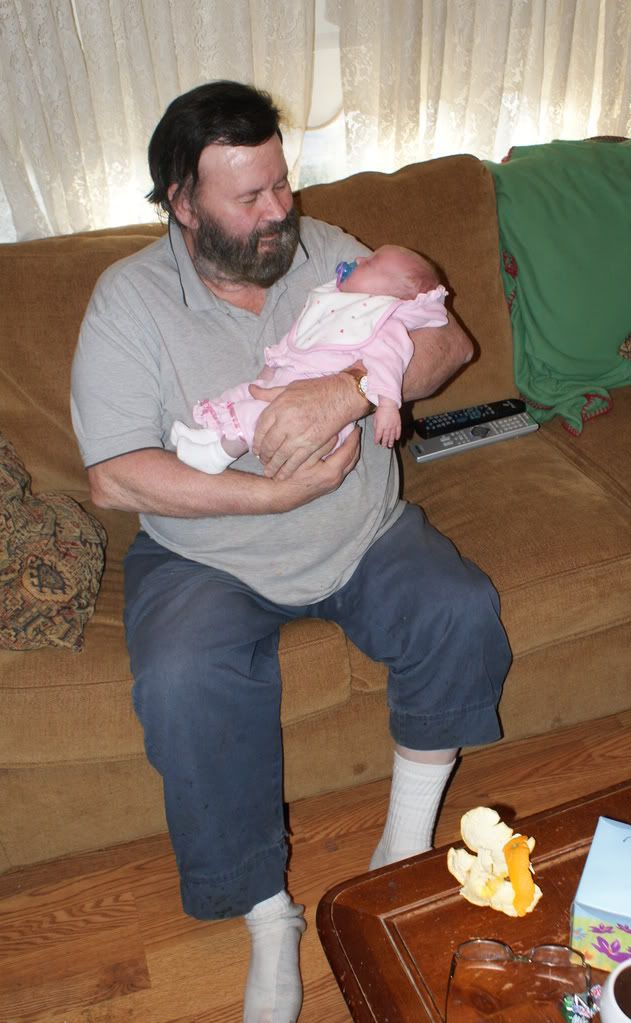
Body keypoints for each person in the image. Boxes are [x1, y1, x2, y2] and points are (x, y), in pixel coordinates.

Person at [70, 81, 512, 1023]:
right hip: (207, 555)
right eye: (250, 196)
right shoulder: (129, 300)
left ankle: (401, 847)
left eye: (281, 182)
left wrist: (348, 389)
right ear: (183, 204)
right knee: (183, 680)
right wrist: (270, 494)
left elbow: (448, 343)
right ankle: (268, 911)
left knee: (459, 609)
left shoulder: (325, 249)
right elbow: (114, 475)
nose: (280, 210)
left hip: (358, 529)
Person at [170, 244, 448, 472]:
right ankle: (207, 435)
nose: (359, 258)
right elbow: (300, 337)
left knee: (258, 415)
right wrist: (274, 363)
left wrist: (388, 404)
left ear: (395, 295)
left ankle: (217, 456)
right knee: (242, 393)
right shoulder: (337, 303)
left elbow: (389, 362)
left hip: (318, 423)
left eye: (371, 263)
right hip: (286, 379)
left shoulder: (384, 323)